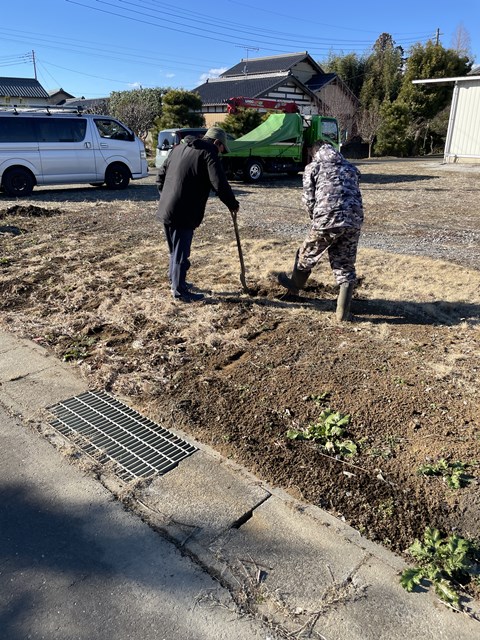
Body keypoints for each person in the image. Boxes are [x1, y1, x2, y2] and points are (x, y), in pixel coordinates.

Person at [278, 141, 364, 321]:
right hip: (353, 221)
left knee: (306, 254)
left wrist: (316, 219)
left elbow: (308, 200)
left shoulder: (313, 167)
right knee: (345, 265)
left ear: (314, 152)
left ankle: (294, 288)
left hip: (326, 219)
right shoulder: (350, 168)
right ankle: (342, 314)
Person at [156, 126, 240, 302]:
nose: (221, 152)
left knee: (174, 250)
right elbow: (218, 182)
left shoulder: (178, 148)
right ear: (216, 142)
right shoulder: (209, 152)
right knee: (180, 252)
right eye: (222, 148)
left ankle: (175, 281)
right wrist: (232, 204)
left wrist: (166, 197)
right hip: (184, 210)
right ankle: (179, 291)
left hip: (167, 207)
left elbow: (160, 175)